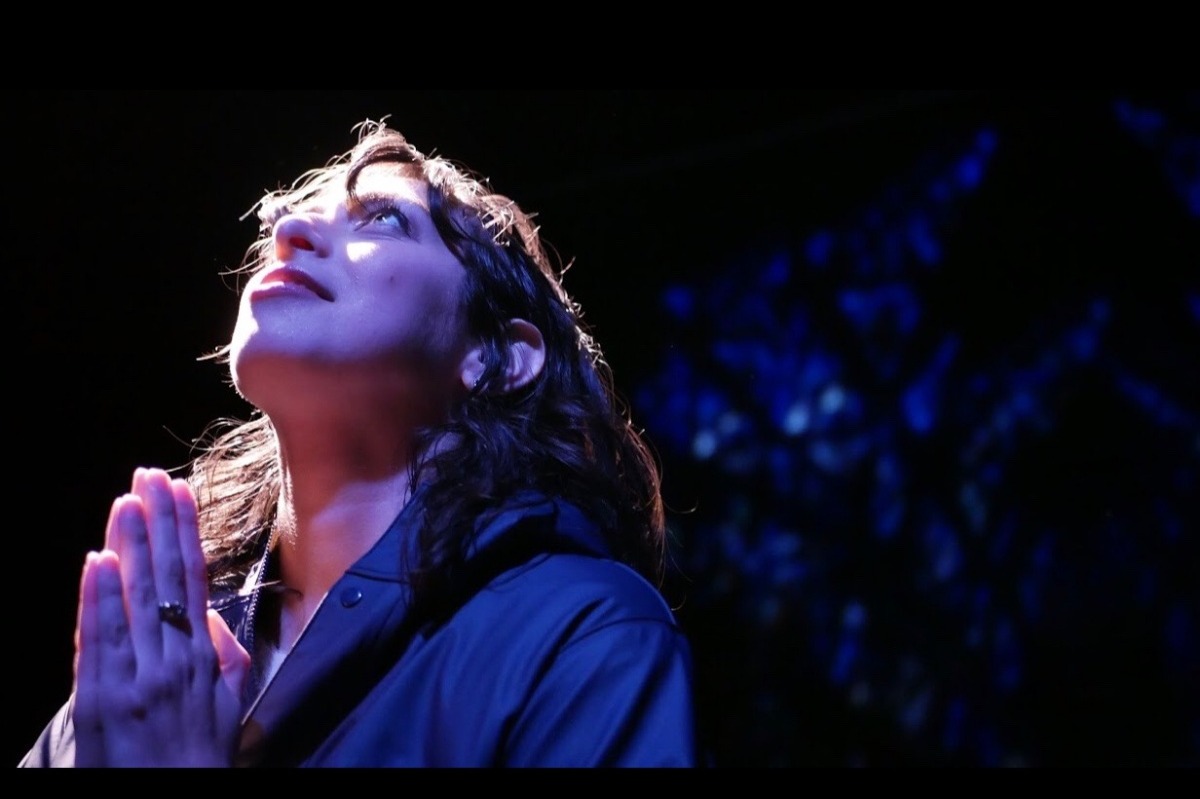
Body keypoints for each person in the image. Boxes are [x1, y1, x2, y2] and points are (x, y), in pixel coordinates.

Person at [19, 118, 701, 768]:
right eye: (283, 218)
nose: (288, 230)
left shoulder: (582, 635)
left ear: (496, 358)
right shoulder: (159, 662)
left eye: (383, 220)